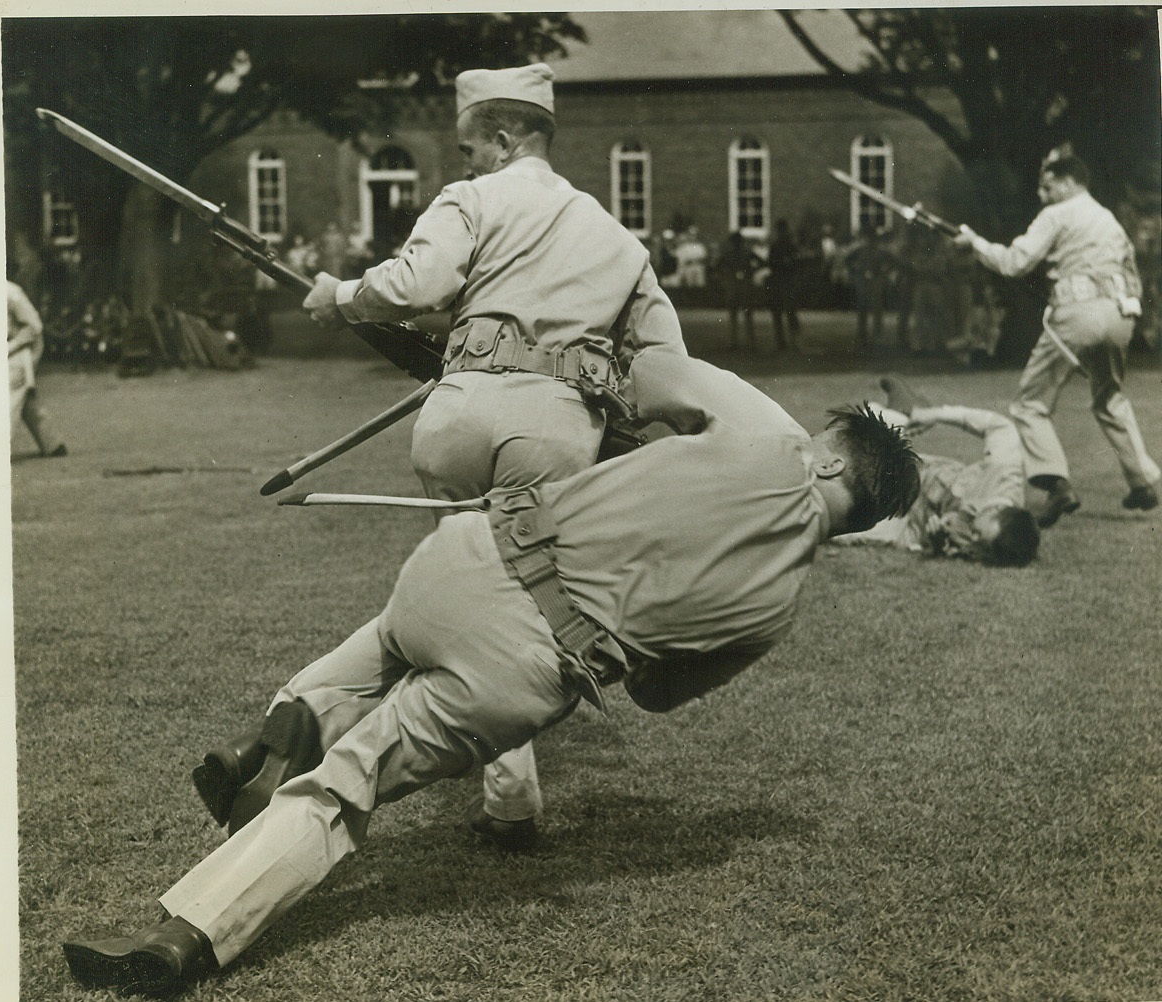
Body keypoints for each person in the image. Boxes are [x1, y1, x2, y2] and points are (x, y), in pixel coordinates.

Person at [61, 348, 921, 996]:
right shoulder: (777, 614)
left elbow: (655, 370)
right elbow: (656, 694)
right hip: (528, 674)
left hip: (474, 562)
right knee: (343, 790)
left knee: (386, 644)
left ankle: (298, 713)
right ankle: (183, 939)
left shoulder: (773, 439)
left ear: (834, 460)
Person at [194, 63, 686, 855]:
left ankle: (302, 710)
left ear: (500, 139)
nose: (461, 165)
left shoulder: (475, 199)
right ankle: (506, 800)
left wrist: (340, 292)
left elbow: (418, 280)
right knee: (514, 613)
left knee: (455, 601)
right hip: (555, 434)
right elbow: (668, 365)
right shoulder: (616, 236)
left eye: (466, 150)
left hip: (456, 422)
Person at [955, 152, 1161, 524]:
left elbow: (1016, 263)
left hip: (1078, 313)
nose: (1041, 193)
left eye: (1047, 185)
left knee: (1029, 403)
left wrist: (976, 245)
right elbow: (1131, 270)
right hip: (1121, 316)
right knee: (1109, 396)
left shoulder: (1056, 214)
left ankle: (1056, 485)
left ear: (1068, 182)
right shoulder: (1107, 218)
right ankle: (1143, 480)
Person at [831, 375, 1040, 566]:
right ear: (995, 510)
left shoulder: (989, 545)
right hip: (917, 475)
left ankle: (894, 417)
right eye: (977, 535)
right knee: (859, 455)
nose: (971, 539)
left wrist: (937, 543)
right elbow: (1000, 426)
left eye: (979, 546)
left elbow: (958, 548)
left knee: (840, 527)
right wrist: (935, 415)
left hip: (907, 524)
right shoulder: (1004, 473)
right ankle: (899, 416)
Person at [7, 278, 67, 458]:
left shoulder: (11, 293)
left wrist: (15, 348)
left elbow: (35, 327)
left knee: (7, 395)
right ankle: (53, 445)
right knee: (26, 399)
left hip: (22, 351)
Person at [717, 231, 759, 350]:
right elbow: (761, 262)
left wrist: (725, 276)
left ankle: (735, 341)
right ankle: (749, 341)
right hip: (743, 285)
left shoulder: (729, 253)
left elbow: (718, 266)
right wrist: (751, 271)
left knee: (735, 314)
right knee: (746, 314)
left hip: (734, 285)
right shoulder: (746, 252)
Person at [764, 219, 802, 350]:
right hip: (784, 282)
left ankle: (786, 342)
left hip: (783, 282)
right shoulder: (788, 245)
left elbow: (771, 262)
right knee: (786, 313)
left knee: (783, 313)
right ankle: (789, 342)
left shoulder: (782, 245)